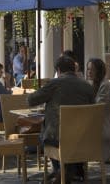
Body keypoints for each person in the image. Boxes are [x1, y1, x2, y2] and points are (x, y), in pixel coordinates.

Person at [28, 55, 94, 183]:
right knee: (67, 136)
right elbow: (93, 106)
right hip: (83, 137)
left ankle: (62, 172)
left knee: (44, 136)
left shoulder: (55, 83)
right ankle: (69, 170)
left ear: (58, 70)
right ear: (74, 69)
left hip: (58, 139)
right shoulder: (87, 86)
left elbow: (31, 100)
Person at [86, 58, 110, 161]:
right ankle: (75, 166)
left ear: (99, 71)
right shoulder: (95, 85)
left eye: (92, 70)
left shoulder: (105, 86)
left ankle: (75, 165)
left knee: (76, 133)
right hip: (102, 123)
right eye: (88, 69)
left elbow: (97, 109)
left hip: (108, 128)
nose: (89, 72)